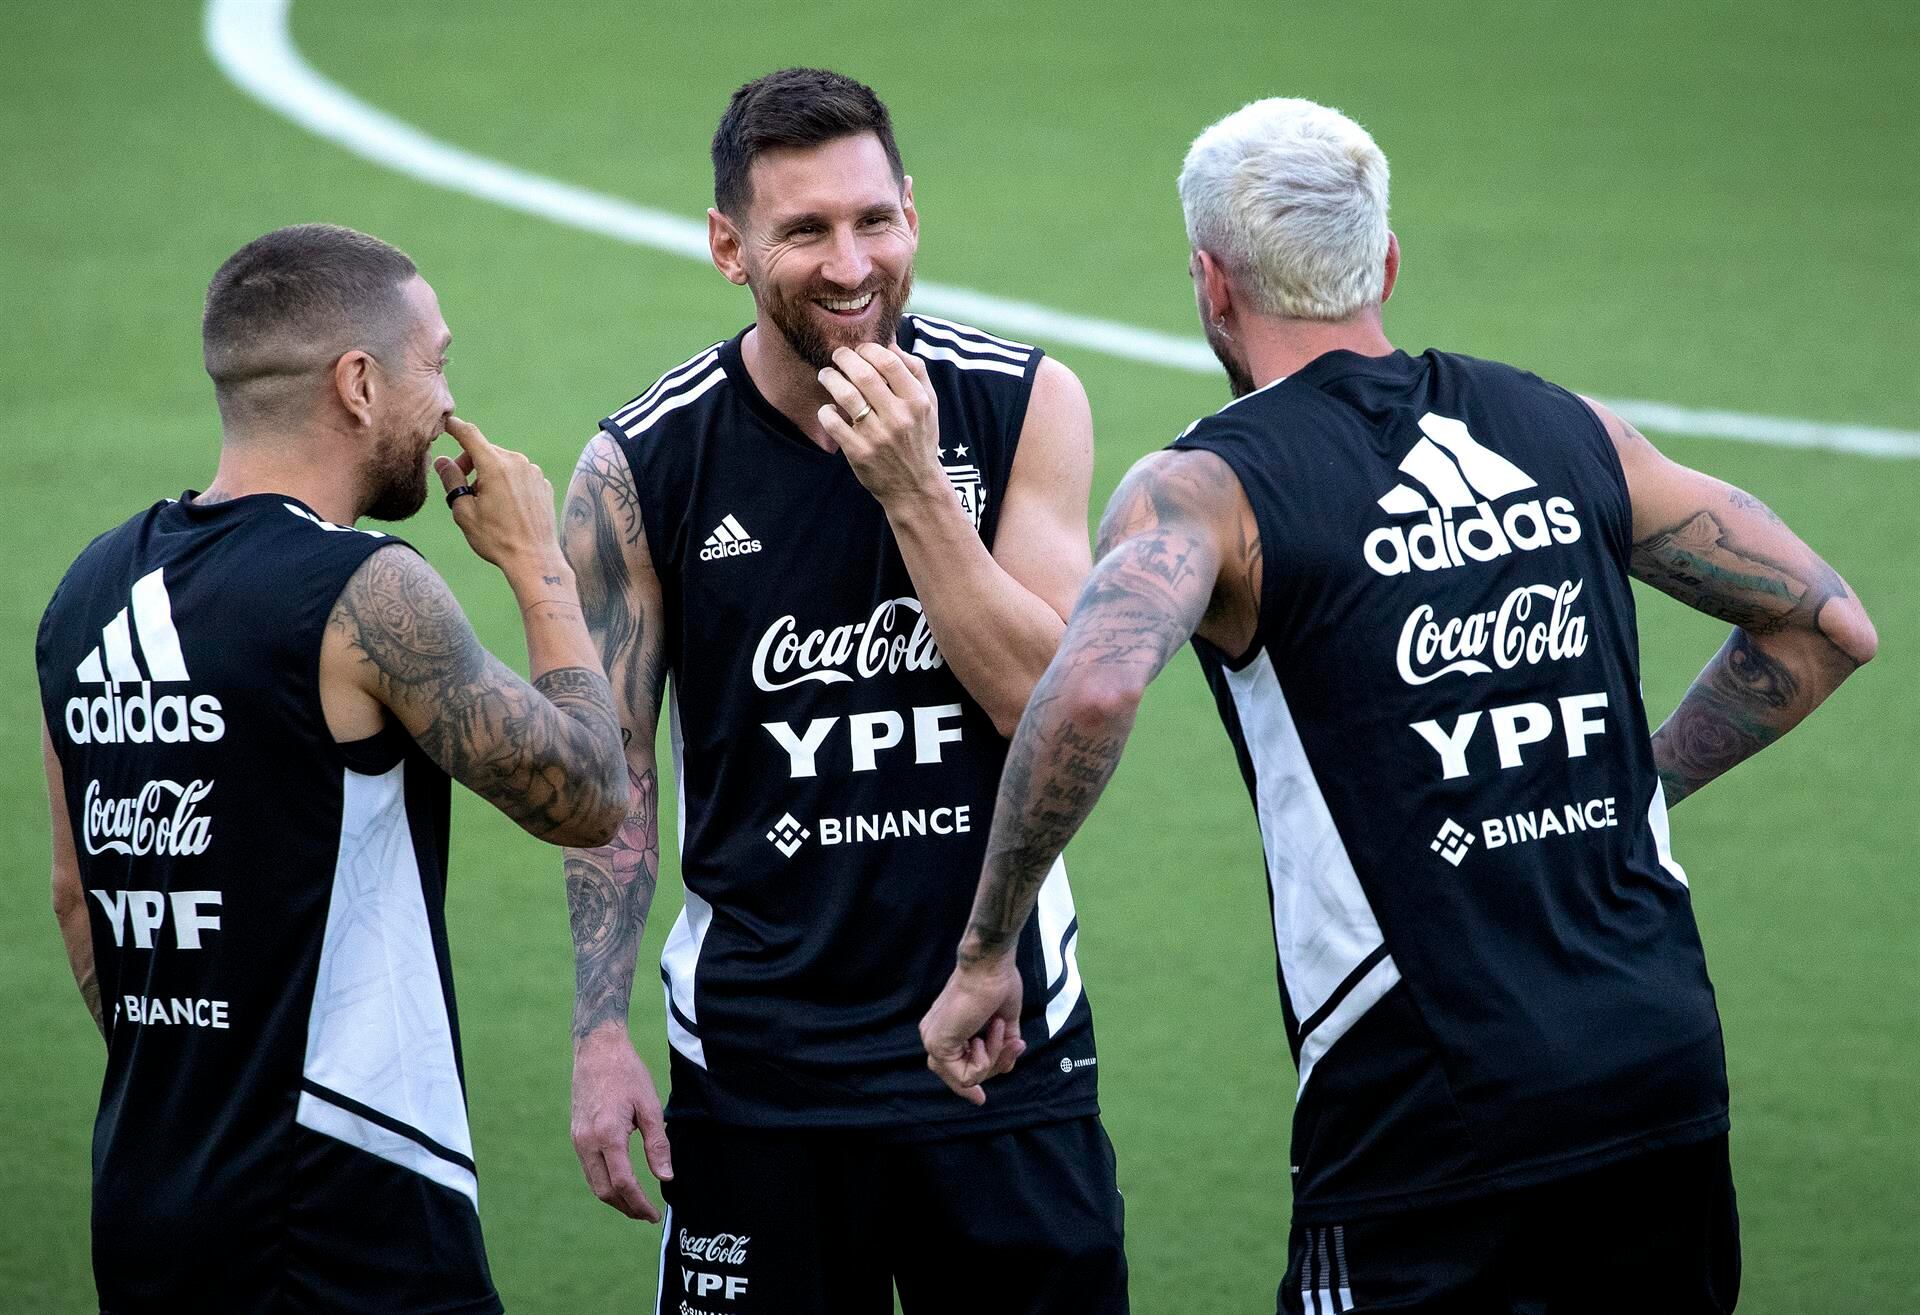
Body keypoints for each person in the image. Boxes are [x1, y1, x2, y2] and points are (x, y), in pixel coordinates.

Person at [922, 98, 1876, 1314]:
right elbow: (1828, 623)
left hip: (1428, 1100)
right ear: (1384, 263)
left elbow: (1097, 681)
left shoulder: (1208, 489)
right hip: (1660, 1065)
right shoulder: (1566, 427)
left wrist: (988, 943)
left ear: (1213, 284)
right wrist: (1632, 788)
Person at [562, 67, 1126, 1313]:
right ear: (728, 245)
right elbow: (617, 780)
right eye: (804, 229)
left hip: (1002, 1043)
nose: (850, 261)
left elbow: (1056, 703)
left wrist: (918, 495)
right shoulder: (640, 467)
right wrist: (600, 1034)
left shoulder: (1024, 403)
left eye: (874, 219)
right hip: (758, 1073)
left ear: (913, 213)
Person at [37, 223, 627, 1313]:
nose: (448, 402)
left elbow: (80, 897)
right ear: (359, 383)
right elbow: (590, 793)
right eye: (436, 363)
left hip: (149, 1200)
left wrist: (203, 1078)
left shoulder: (87, 594)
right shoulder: (363, 592)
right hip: (346, 1214)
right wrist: (540, 564)